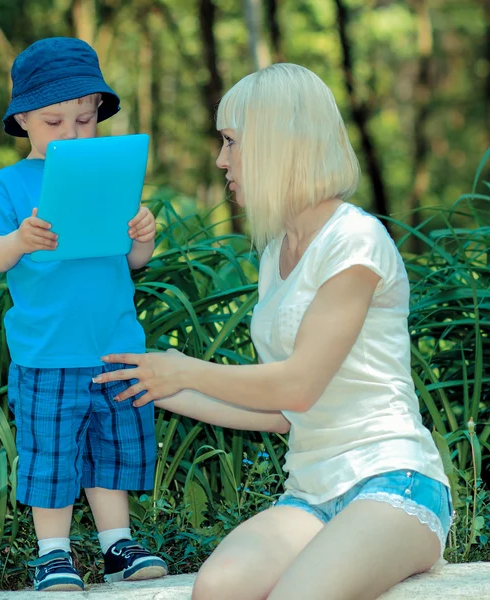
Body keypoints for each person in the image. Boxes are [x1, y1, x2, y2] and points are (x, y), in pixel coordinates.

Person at [94, 63, 453, 600]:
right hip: (309, 493)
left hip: (393, 479)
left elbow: (297, 385)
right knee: (215, 590)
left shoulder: (355, 241)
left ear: (278, 143)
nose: (221, 159)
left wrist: (185, 368)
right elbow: (284, 415)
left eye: (231, 141)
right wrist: (159, 387)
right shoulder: (274, 255)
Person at [0, 37, 167, 592]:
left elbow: (131, 262)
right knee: (51, 451)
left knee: (116, 443)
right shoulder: (8, 184)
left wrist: (143, 237)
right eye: (54, 121)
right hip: (48, 348)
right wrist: (19, 239)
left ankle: (117, 544)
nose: (71, 133)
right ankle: (53, 552)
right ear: (24, 122)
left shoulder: (112, 175)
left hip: (114, 342)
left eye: (84, 120)